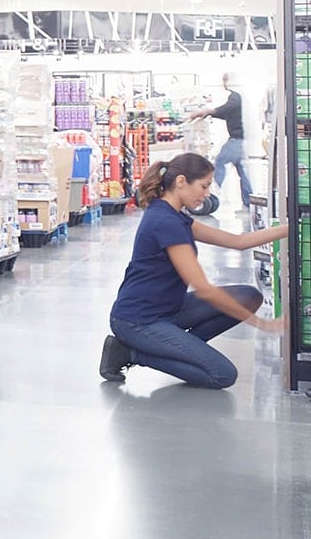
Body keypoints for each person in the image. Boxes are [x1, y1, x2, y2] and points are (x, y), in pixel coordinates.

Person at [100, 151, 288, 389]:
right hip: (138, 320)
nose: (207, 194)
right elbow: (204, 288)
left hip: (169, 309)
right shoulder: (166, 223)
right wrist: (260, 323)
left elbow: (238, 242)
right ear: (181, 182)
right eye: (204, 186)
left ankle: (177, 348)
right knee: (222, 374)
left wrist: (293, 227)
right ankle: (131, 353)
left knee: (249, 297)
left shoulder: (174, 216)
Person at [192, 72, 251, 214]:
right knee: (242, 170)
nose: (223, 83)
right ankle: (249, 200)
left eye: (225, 80)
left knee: (219, 161)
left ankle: (209, 191)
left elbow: (227, 109)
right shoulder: (240, 96)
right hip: (243, 139)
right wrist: (209, 113)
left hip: (237, 139)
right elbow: (226, 113)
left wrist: (209, 111)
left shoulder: (236, 96)